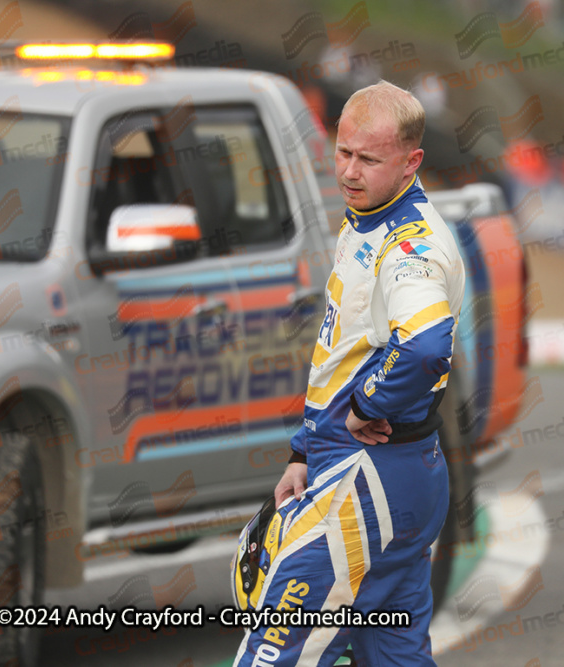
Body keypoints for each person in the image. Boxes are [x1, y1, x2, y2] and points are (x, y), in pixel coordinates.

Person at [233, 80, 465, 666]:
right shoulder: (367, 215)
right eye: (343, 153)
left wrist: (367, 406)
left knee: (272, 651)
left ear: (412, 161)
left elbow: (424, 344)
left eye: (368, 158)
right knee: (393, 654)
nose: (349, 171)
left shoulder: (408, 243)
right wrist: (304, 451)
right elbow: (344, 349)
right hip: (392, 474)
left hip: (368, 481)